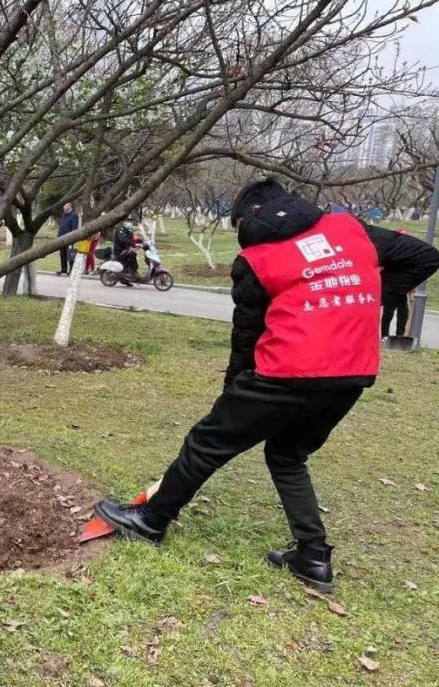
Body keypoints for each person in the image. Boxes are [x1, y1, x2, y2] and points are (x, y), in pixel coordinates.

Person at [93, 179, 439, 593]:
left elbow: (247, 337)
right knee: (288, 454)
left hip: (287, 372)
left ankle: (151, 521)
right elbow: (424, 256)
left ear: (250, 216)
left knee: (207, 443)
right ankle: (312, 556)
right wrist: (361, 299)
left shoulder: (257, 259)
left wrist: (232, 387)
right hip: (351, 375)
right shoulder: (349, 229)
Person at [380, 228, 414, 339]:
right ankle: (384, 335)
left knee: (403, 311)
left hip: (402, 287)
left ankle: (400, 335)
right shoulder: (389, 252)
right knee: (388, 311)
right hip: (390, 287)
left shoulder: (407, 255)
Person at [56, 202, 79, 275]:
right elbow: (62, 226)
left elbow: (74, 227)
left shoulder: (74, 215)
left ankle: (71, 270)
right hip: (61, 238)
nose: (64, 208)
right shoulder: (64, 215)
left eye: (65, 206)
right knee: (62, 255)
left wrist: (72, 238)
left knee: (70, 254)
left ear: (69, 206)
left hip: (69, 239)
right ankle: (64, 269)